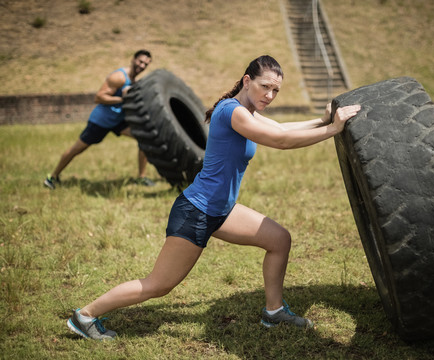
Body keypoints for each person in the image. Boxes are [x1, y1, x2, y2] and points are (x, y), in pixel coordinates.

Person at [66, 55, 361, 340]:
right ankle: (86, 315)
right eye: (265, 86)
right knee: (158, 285)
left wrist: (322, 120)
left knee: (279, 240)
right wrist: (333, 129)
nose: (270, 95)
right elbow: (281, 141)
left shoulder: (248, 112)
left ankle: (273, 312)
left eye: (276, 90)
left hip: (222, 211)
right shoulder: (232, 112)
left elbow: (283, 128)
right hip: (197, 211)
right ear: (247, 81)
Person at [43, 49, 155, 189]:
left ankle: (141, 177)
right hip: (101, 122)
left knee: (144, 137)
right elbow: (99, 97)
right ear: (133, 59)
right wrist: (122, 98)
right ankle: (52, 178)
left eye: (146, 64)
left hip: (118, 121)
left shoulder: (134, 81)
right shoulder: (119, 77)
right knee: (77, 149)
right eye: (140, 61)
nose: (142, 66)